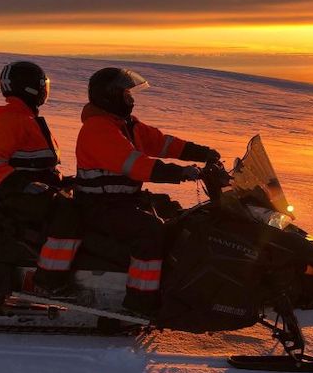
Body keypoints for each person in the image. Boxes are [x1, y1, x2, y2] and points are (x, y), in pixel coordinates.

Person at [75, 67, 221, 316]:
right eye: (126, 94)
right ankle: (141, 301)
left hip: (121, 201)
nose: (131, 100)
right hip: (98, 206)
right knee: (150, 230)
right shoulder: (98, 129)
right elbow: (135, 165)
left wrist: (202, 152)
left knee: (178, 216)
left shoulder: (125, 124)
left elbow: (160, 142)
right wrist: (181, 173)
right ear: (110, 96)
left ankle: (173, 283)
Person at [0, 61, 81, 294]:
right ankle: (50, 280)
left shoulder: (27, 119)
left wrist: (67, 181)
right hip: (16, 194)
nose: (45, 89)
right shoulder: (10, 121)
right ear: (30, 87)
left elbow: (39, 164)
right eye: (43, 84)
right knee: (68, 213)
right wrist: (25, 185)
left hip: (34, 190)